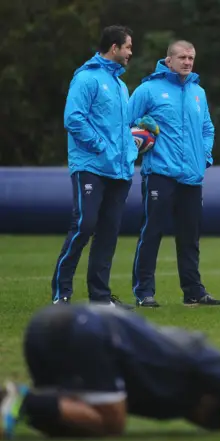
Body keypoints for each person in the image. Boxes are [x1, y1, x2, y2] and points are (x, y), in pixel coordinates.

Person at [0, 304, 220, 441]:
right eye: (211, 417)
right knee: (111, 423)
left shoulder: (168, 400)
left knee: (68, 418)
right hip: (84, 330)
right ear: (209, 398)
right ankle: (25, 402)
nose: (203, 422)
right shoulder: (204, 360)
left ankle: (14, 406)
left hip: (45, 323)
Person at [128, 40, 220, 308]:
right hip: (160, 172)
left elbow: (208, 129)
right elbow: (125, 123)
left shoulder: (198, 92)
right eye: (182, 57)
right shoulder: (148, 90)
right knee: (152, 232)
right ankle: (144, 291)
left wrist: (204, 155)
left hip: (192, 176)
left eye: (191, 57)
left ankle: (193, 291)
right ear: (168, 60)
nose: (187, 62)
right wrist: (139, 138)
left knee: (190, 236)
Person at [51, 25, 137, 309]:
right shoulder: (86, 78)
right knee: (84, 225)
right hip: (91, 165)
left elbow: (121, 129)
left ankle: (100, 297)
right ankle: (61, 293)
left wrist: (133, 146)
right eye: (127, 47)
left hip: (120, 170)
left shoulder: (121, 86)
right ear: (114, 47)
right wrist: (101, 145)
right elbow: (73, 119)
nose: (130, 53)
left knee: (108, 232)